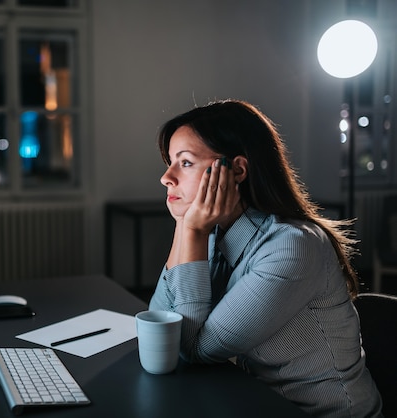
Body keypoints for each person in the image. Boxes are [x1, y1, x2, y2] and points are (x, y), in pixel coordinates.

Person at [149, 99, 383, 417]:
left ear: (238, 170)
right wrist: (184, 225)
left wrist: (191, 231)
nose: (167, 177)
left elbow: (194, 350)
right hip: (260, 403)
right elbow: (159, 325)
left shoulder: (292, 248)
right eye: (170, 163)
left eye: (185, 162)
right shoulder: (214, 234)